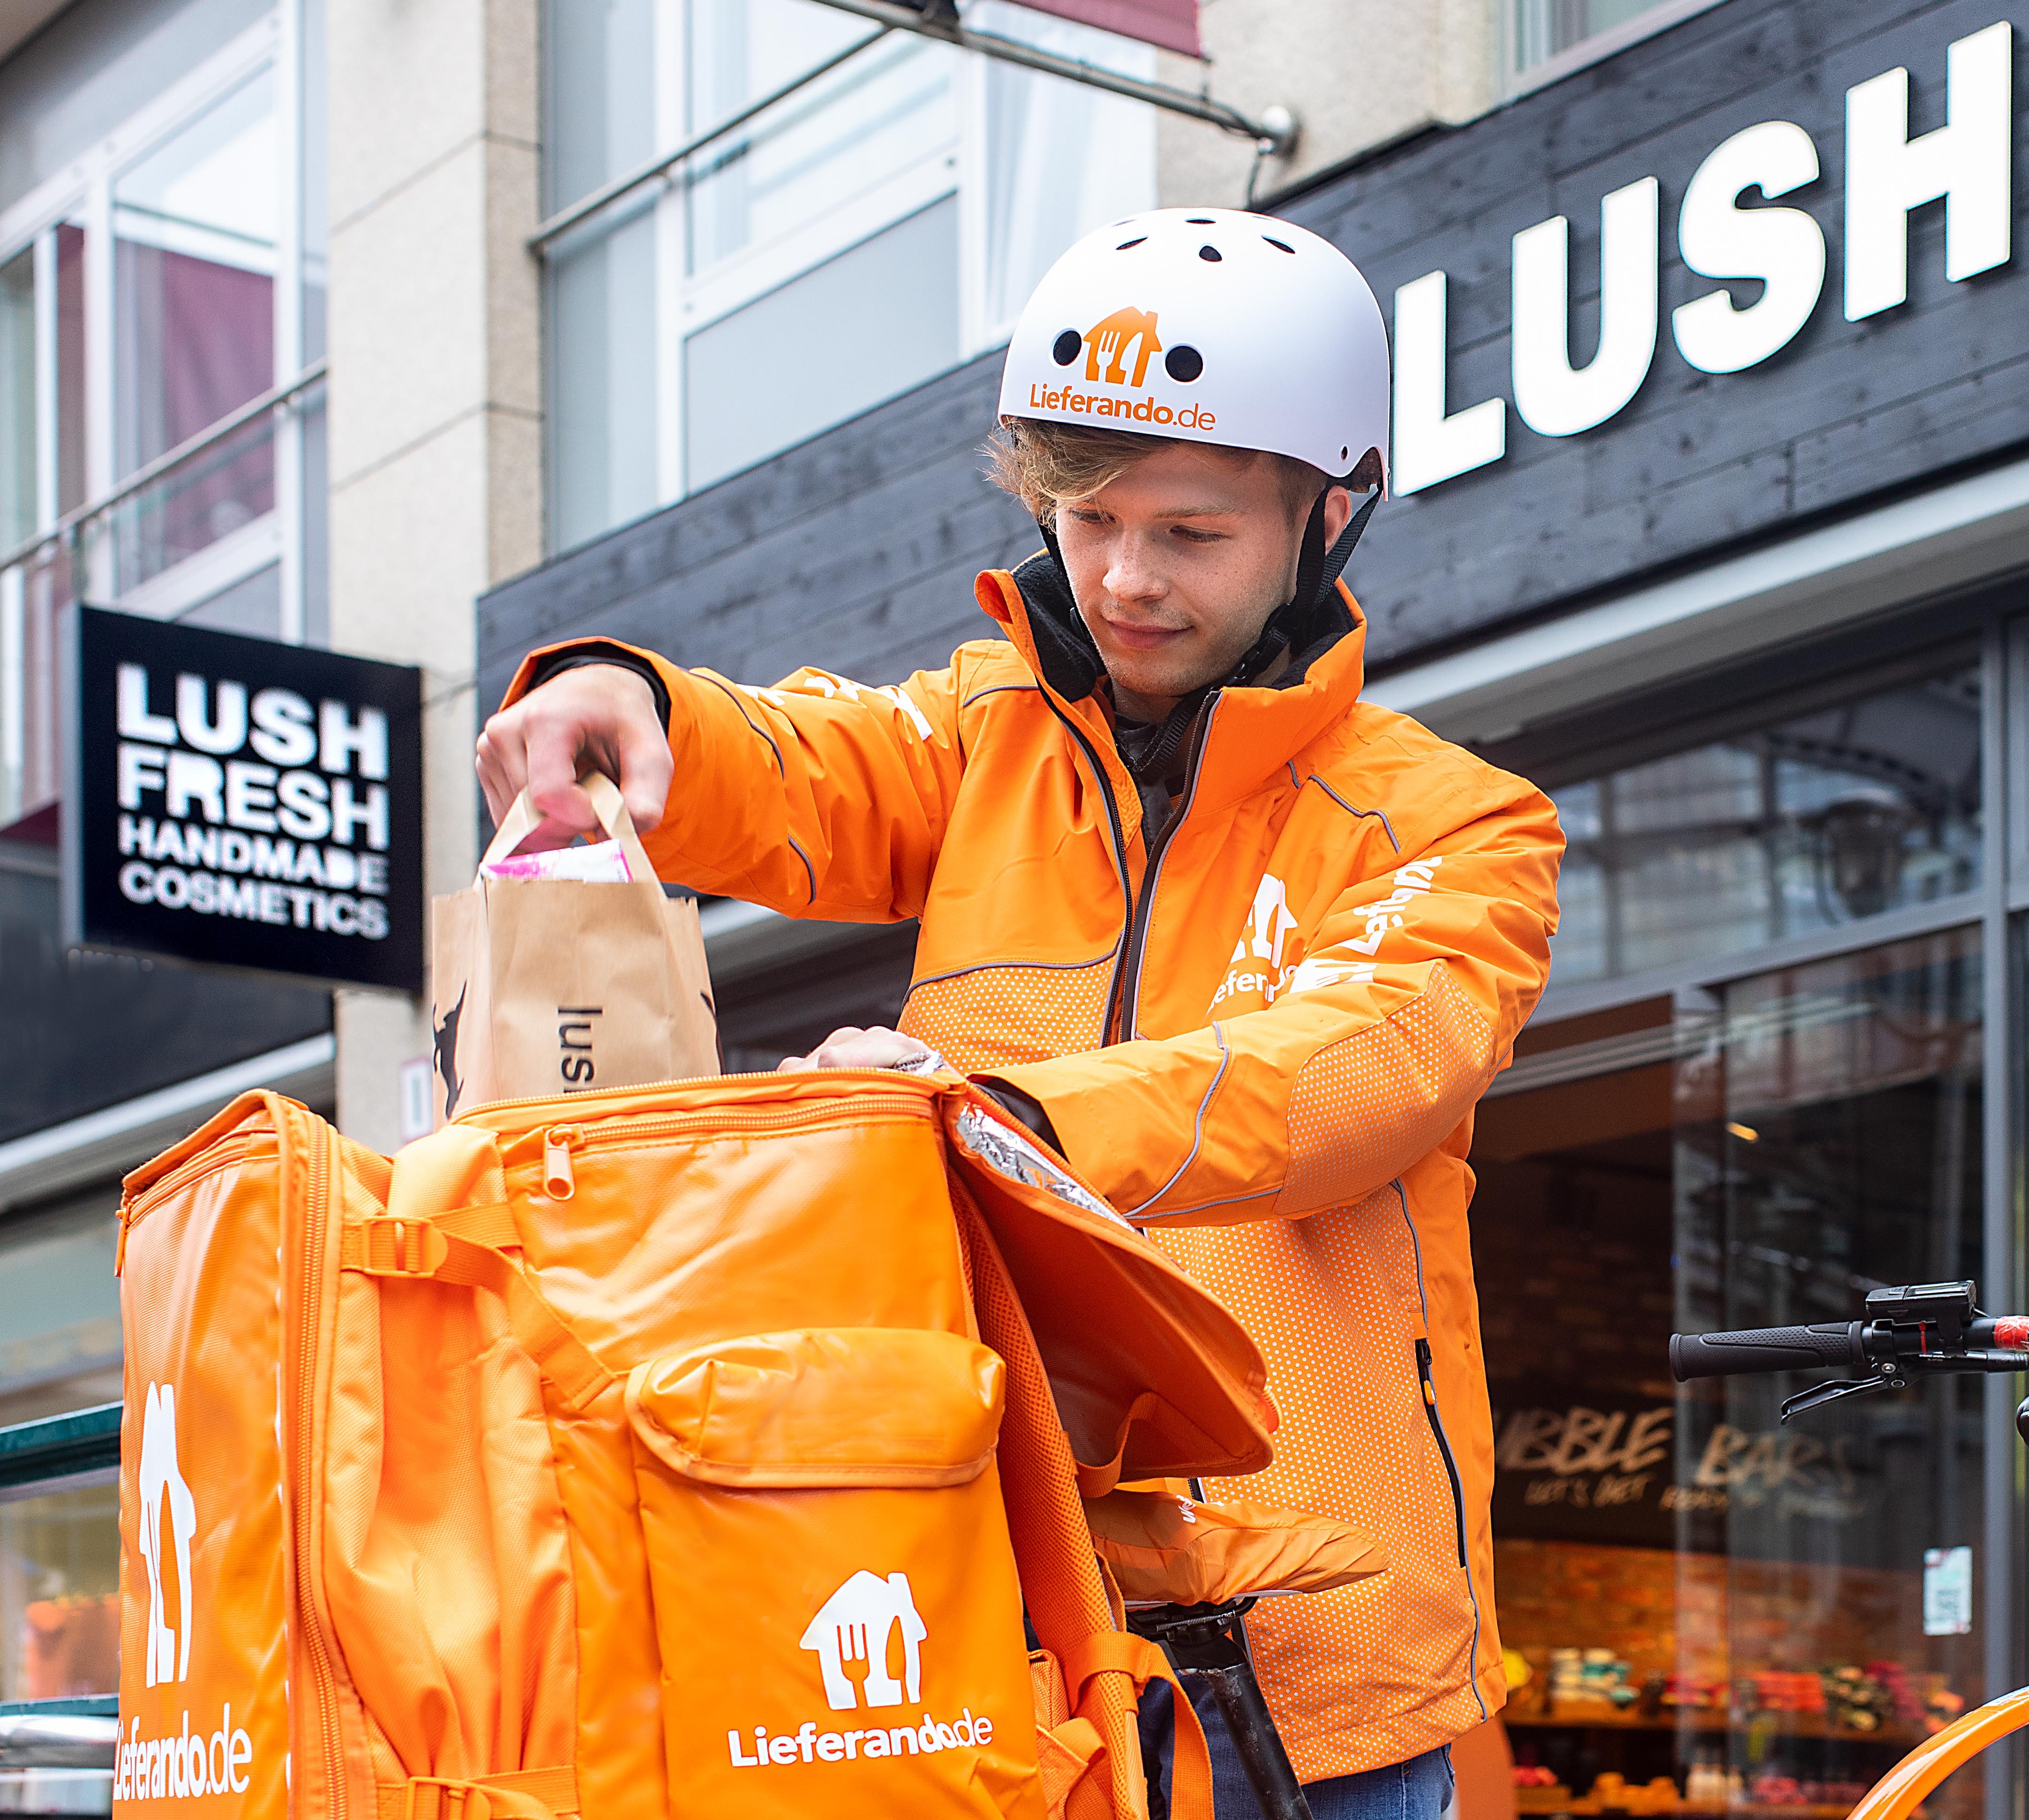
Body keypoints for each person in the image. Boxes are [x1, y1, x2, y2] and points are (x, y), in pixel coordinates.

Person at [473, 207, 1563, 1820]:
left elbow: (1358, 1071)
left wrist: (1000, 1127)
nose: (1123, 577)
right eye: (1088, 515)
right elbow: (801, 763)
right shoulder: (981, 737)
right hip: (995, 1633)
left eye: (1190, 531)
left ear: (1331, 515)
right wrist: (631, 701)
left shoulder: (1458, 824)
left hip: (1315, 1670)